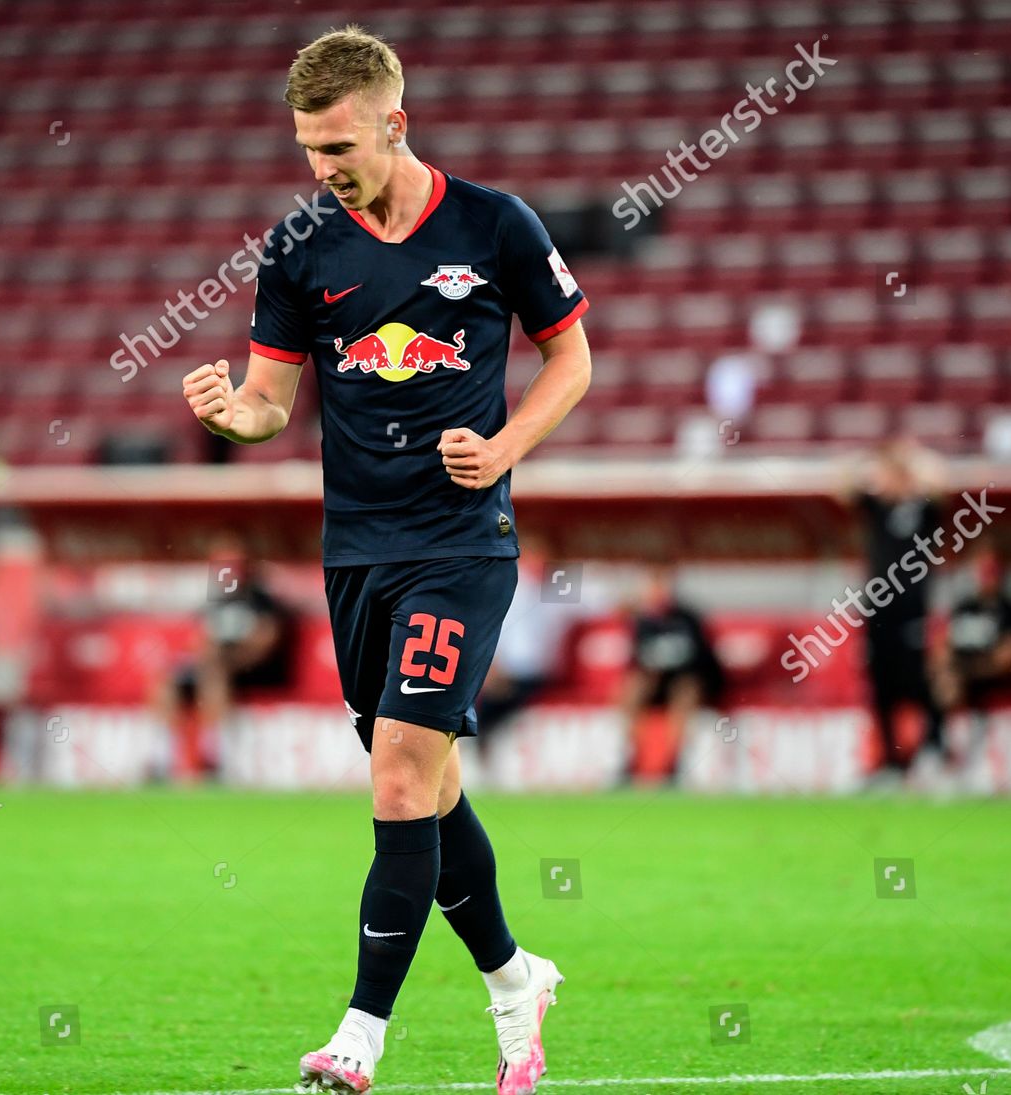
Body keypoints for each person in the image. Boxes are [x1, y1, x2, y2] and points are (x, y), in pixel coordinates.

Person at [181, 26, 591, 1095]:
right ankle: (515, 983)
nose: (325, 170)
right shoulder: (300, 247)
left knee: (400, 777)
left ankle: (359, 1037)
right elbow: (272, 401)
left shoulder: (495, 226)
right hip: (355, 551)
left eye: (341, 148)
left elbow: (573, 359)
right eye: (310, 151)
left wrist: (504, 448)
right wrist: (236, 417)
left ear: (394, 123)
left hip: (461, 545)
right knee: (431, 788)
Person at [839, 439, 947, 780]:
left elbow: (943, 486)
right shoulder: (876, 507)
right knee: (880, 685)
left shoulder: (922, 507)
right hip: (878, 609)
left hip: (912, 608)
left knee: (920, 683)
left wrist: (913, 459)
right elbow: (841, 487)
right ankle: (889, 762)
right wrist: (869, 459)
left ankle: (933, 750)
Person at [155, 534, 295, 778]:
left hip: (254, 669)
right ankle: (162, 756)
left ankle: (213, 754)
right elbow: (199, 640)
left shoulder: (261, 600)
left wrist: (229, 658)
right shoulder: (216, 600)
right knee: (165, 678)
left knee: (215, 669)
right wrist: (205, 656)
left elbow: (266, 642)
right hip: (215, 667)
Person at [617, 567, 723, 783]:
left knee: (684, 691)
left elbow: (702, 660)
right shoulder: (642, 622)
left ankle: (675, 761)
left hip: (686, 680)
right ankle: (630, 756)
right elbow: (636, 662)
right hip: (657, 682)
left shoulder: (688, 618)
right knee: (633, 688)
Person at [475, 537, 579, 753]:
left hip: (543, 673)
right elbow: (489, 628)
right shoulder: (507, 585)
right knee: (487, 704)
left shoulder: (559, 584)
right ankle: (480, 749)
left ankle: (484, 747)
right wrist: (491, 666)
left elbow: (594, 602)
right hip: (511, 671)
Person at [931, 544, 1011, 758]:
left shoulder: (1009, 610)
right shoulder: (965, 606)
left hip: (988, 676)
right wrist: (945, 663)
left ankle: (942, 749)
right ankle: (937, 747)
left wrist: (970, 670)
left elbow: (1009, 658)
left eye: (991, 569)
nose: (987, 576)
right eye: (982, 569)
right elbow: (943, 645)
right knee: (936, 679)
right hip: (960, 676)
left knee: (949, 682)